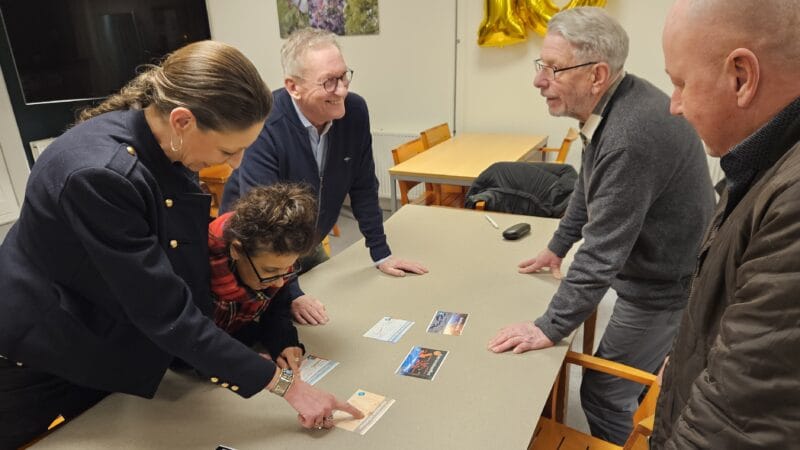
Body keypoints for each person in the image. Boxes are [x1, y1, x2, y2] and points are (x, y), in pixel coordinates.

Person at [0, 41, 361, 449]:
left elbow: (184, 269)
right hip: (40, 354)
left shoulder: (166, 146)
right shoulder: (102, 177)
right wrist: (287, 388)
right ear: (183, 120)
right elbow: (165, 310)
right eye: (229, 149)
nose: (237, 164)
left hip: (106, 336)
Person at [487, 7, 714, 445]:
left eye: (553, 69)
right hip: (657, 272)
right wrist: (556, 247)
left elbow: (602, 251)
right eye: (542, 67)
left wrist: (548, 327)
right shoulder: (617, 105)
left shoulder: (629, 135)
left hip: (661, 290)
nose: (539, 81)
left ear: (597, 75)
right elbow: (587, 192)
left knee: (604, 394)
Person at [653, 0, 800, 447]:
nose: (675, 105)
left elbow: (734, 427)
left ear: (741, 76)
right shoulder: (760, 160)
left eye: (681, 83)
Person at [220, 27, 428, 327]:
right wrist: (290, 292)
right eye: (329, 82)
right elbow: (264, 222)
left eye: (344, 76)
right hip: (256, 252)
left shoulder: (354, 111)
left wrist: (380, 253)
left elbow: (364, 186)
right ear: (293, 87)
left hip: (305, 239)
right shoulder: (265, 121)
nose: (341, 90)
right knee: (270, 332)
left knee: (331, 305)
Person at [210, 183, 319, 374]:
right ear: (236, 250)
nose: (278, 282)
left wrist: (284, 342)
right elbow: (186, 339)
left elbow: (277, 309)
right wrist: (235, 359)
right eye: (270, 270)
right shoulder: (196, 266)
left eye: (287, 269)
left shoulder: (276, 255)